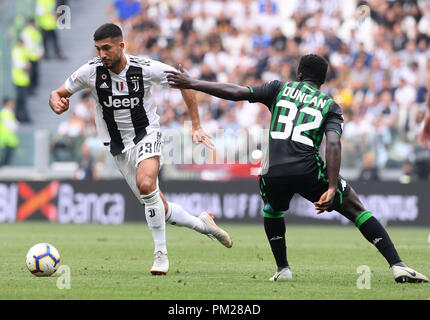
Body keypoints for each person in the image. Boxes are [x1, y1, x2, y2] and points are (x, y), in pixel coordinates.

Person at [166, 53, 428, 283]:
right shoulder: (329, 105)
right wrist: (332, 186)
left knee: (272, 209)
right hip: (308, 171)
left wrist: (193, 83)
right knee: (356, 207)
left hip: (273, 172)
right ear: (323, 81)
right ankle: (398, 266)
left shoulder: (279, 89)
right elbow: (334, 144)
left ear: (299, 74)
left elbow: (237, 92)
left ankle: (283, 268)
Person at [49, 23, 232, 276]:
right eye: (98, 49)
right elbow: (57, 92)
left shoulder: (145, 68)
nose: (102, 54)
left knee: (147, 185)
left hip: (147, 134)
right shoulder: (90, 72)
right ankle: (204, 225)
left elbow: (185, 83)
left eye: (107, 48)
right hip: (118, 147)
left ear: (121, 46)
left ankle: (161, 255)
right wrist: (57, 102)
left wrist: (196, 125)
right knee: (159, 207)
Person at [21, 18, 44, 95]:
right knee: (30, 74)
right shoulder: (26, 33)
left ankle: (33, 88)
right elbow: (26, 46)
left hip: (35, 56)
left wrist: (41, 52)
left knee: (34, 73)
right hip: (29, 56)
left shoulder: (35, 32)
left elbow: (38, 44)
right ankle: (30, 89)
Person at [11, 39, 31, 123]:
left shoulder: (23, 51)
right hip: (18, 80)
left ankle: (22, 116)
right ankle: (20, 117)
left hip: (23, 80)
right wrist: (26, 66)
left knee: (22, 100)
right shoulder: (16, 51)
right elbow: (21, 65)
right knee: (20, 100)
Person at [0, 98, 19, 166]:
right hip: (6, 139)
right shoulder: (6, 113)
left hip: (8, 139)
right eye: (11, 103)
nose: (13, 105)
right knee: (5, 159)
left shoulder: (8, 112)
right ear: (7, 103)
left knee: (6, 158)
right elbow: (12, 125)